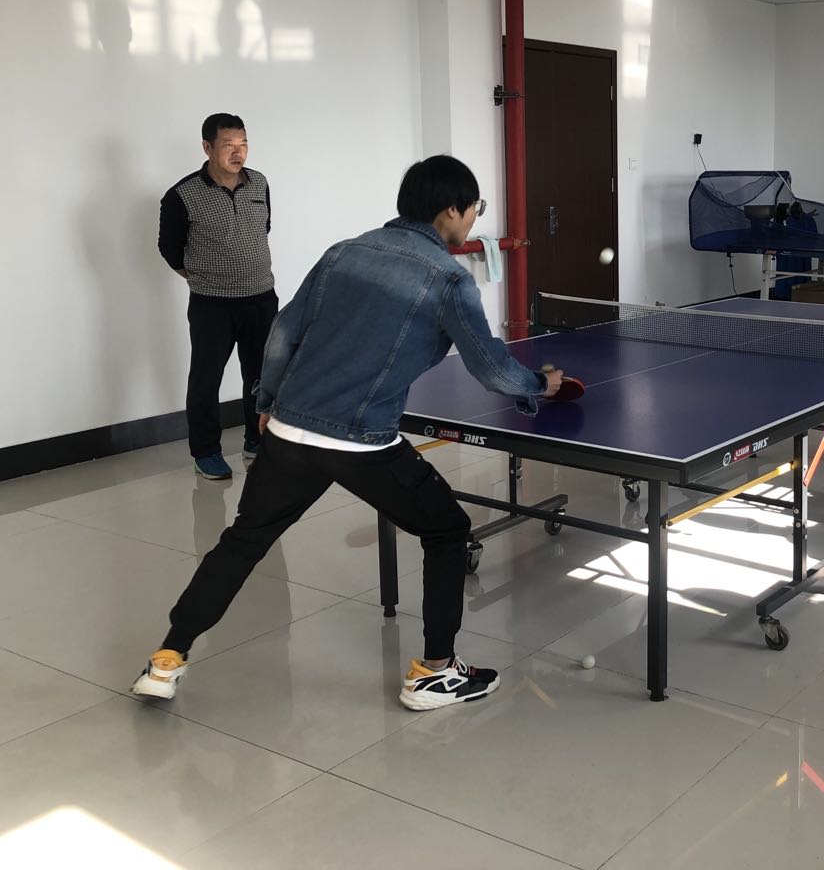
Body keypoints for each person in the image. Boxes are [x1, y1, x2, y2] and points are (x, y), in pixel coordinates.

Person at [133, 156, 565, 711]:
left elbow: (283, 333)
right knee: (447, 530)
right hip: (361, 441)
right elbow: (491, 368)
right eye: (474, 207)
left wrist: (267, 403)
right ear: (451, 210)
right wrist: (540, 385)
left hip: (290, 430)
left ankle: (166, 660)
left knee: (243, 540)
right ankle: (435, 673)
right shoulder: (449, 278)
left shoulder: (344, 252)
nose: (475, 217)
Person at [158, 113, 277, 481]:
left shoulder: (259, 183)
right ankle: (206, 452)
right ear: (207, 147)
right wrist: (207, 278)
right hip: (213, 304)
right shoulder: (182, 195)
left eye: (243, 144)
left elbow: (263, 228)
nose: (238, 152)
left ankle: (256, 442)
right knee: (206, 379)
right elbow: (170, 250)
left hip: (261, 297)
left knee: (261, 376)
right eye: (228, 145)